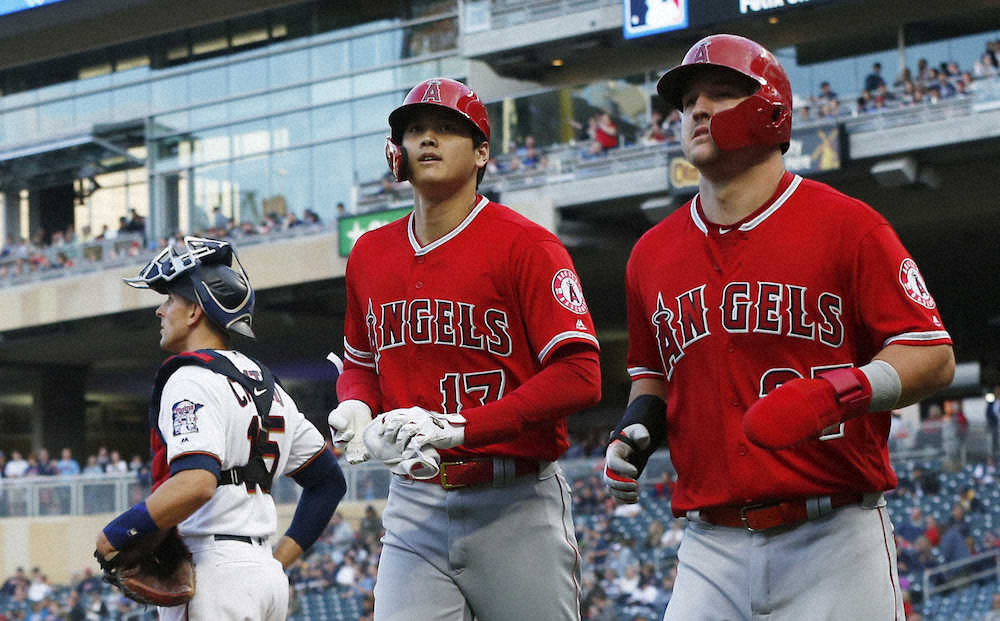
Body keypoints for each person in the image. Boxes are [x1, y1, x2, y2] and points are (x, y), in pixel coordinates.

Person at [602, 34, 954, 621]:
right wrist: (638, 425)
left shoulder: (848, 226)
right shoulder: (650, 254)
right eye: (689, 101)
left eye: (720, 93)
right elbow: (651, 377)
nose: (697, 110)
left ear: (771, 109)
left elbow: (931, 353)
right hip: (708, 545)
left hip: (834, 535)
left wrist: (840, 393)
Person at [328, 77, 602, 620]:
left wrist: (464, 428)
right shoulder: (370, 253)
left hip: (515, 498)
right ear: (396, 153)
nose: (427, 139)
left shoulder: (527, 245)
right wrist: (357, 404)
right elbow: (360, 363)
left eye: (447, 129)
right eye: (415, 130)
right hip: (414, 501)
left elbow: (581, 373)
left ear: (482, 153)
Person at [95, 236, 346, 620]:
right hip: (263, 575)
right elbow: (328, 481)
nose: (160, 311)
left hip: (214, 572)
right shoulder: (269, 385)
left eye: (169, 300)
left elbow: (196, 482)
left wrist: (116, 533)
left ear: (195, 310)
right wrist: (277, 560)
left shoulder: (191, 378)